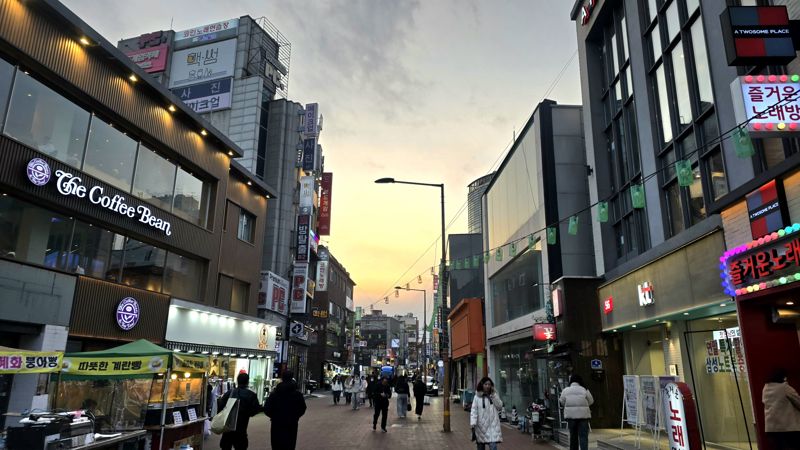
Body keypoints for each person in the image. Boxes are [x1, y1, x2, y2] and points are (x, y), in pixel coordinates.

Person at [216, 372, 261, 450]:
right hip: (242, 427)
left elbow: (220, 406)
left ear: (237, 381)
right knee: (241, 446)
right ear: (247, 382)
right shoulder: (251, 395)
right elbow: (254, 411)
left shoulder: (230, 392)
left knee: (226, 446)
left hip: (228, 425)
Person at [264, 371, 307, 450]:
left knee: (276, 444)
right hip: (292, 423)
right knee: (290, 443)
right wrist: (295, 416)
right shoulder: (297, 394)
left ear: (282, 378)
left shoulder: (274, 394)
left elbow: (267, 409)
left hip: (276, 423)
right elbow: (303, 408)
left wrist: (274, 416)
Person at [762, 368, 800, 450]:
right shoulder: (784, 387)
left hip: (771, 429)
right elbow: (798, 401)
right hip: (787, 428)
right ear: (783, 377)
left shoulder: (765, 388)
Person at [559, 374, 594, 450]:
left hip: (571, 417)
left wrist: (568, 405)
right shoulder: (584, 390)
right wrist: (584, 404)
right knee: (583, 437)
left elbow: (561, 401)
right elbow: (591, 401)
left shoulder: (565, 390)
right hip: (583, 417)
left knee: (573, 437)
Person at [470, 377, 503, 450]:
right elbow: (474, 410)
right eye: (486, 384)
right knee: (481, 448)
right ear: (482, 385)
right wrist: (473, 423)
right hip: (481, 427)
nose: (487, 386)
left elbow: (500, 406)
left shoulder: (494, 395)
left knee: (493, 446)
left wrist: (494, 395)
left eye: (489, 384)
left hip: (493, 426)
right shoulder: (477, 397)